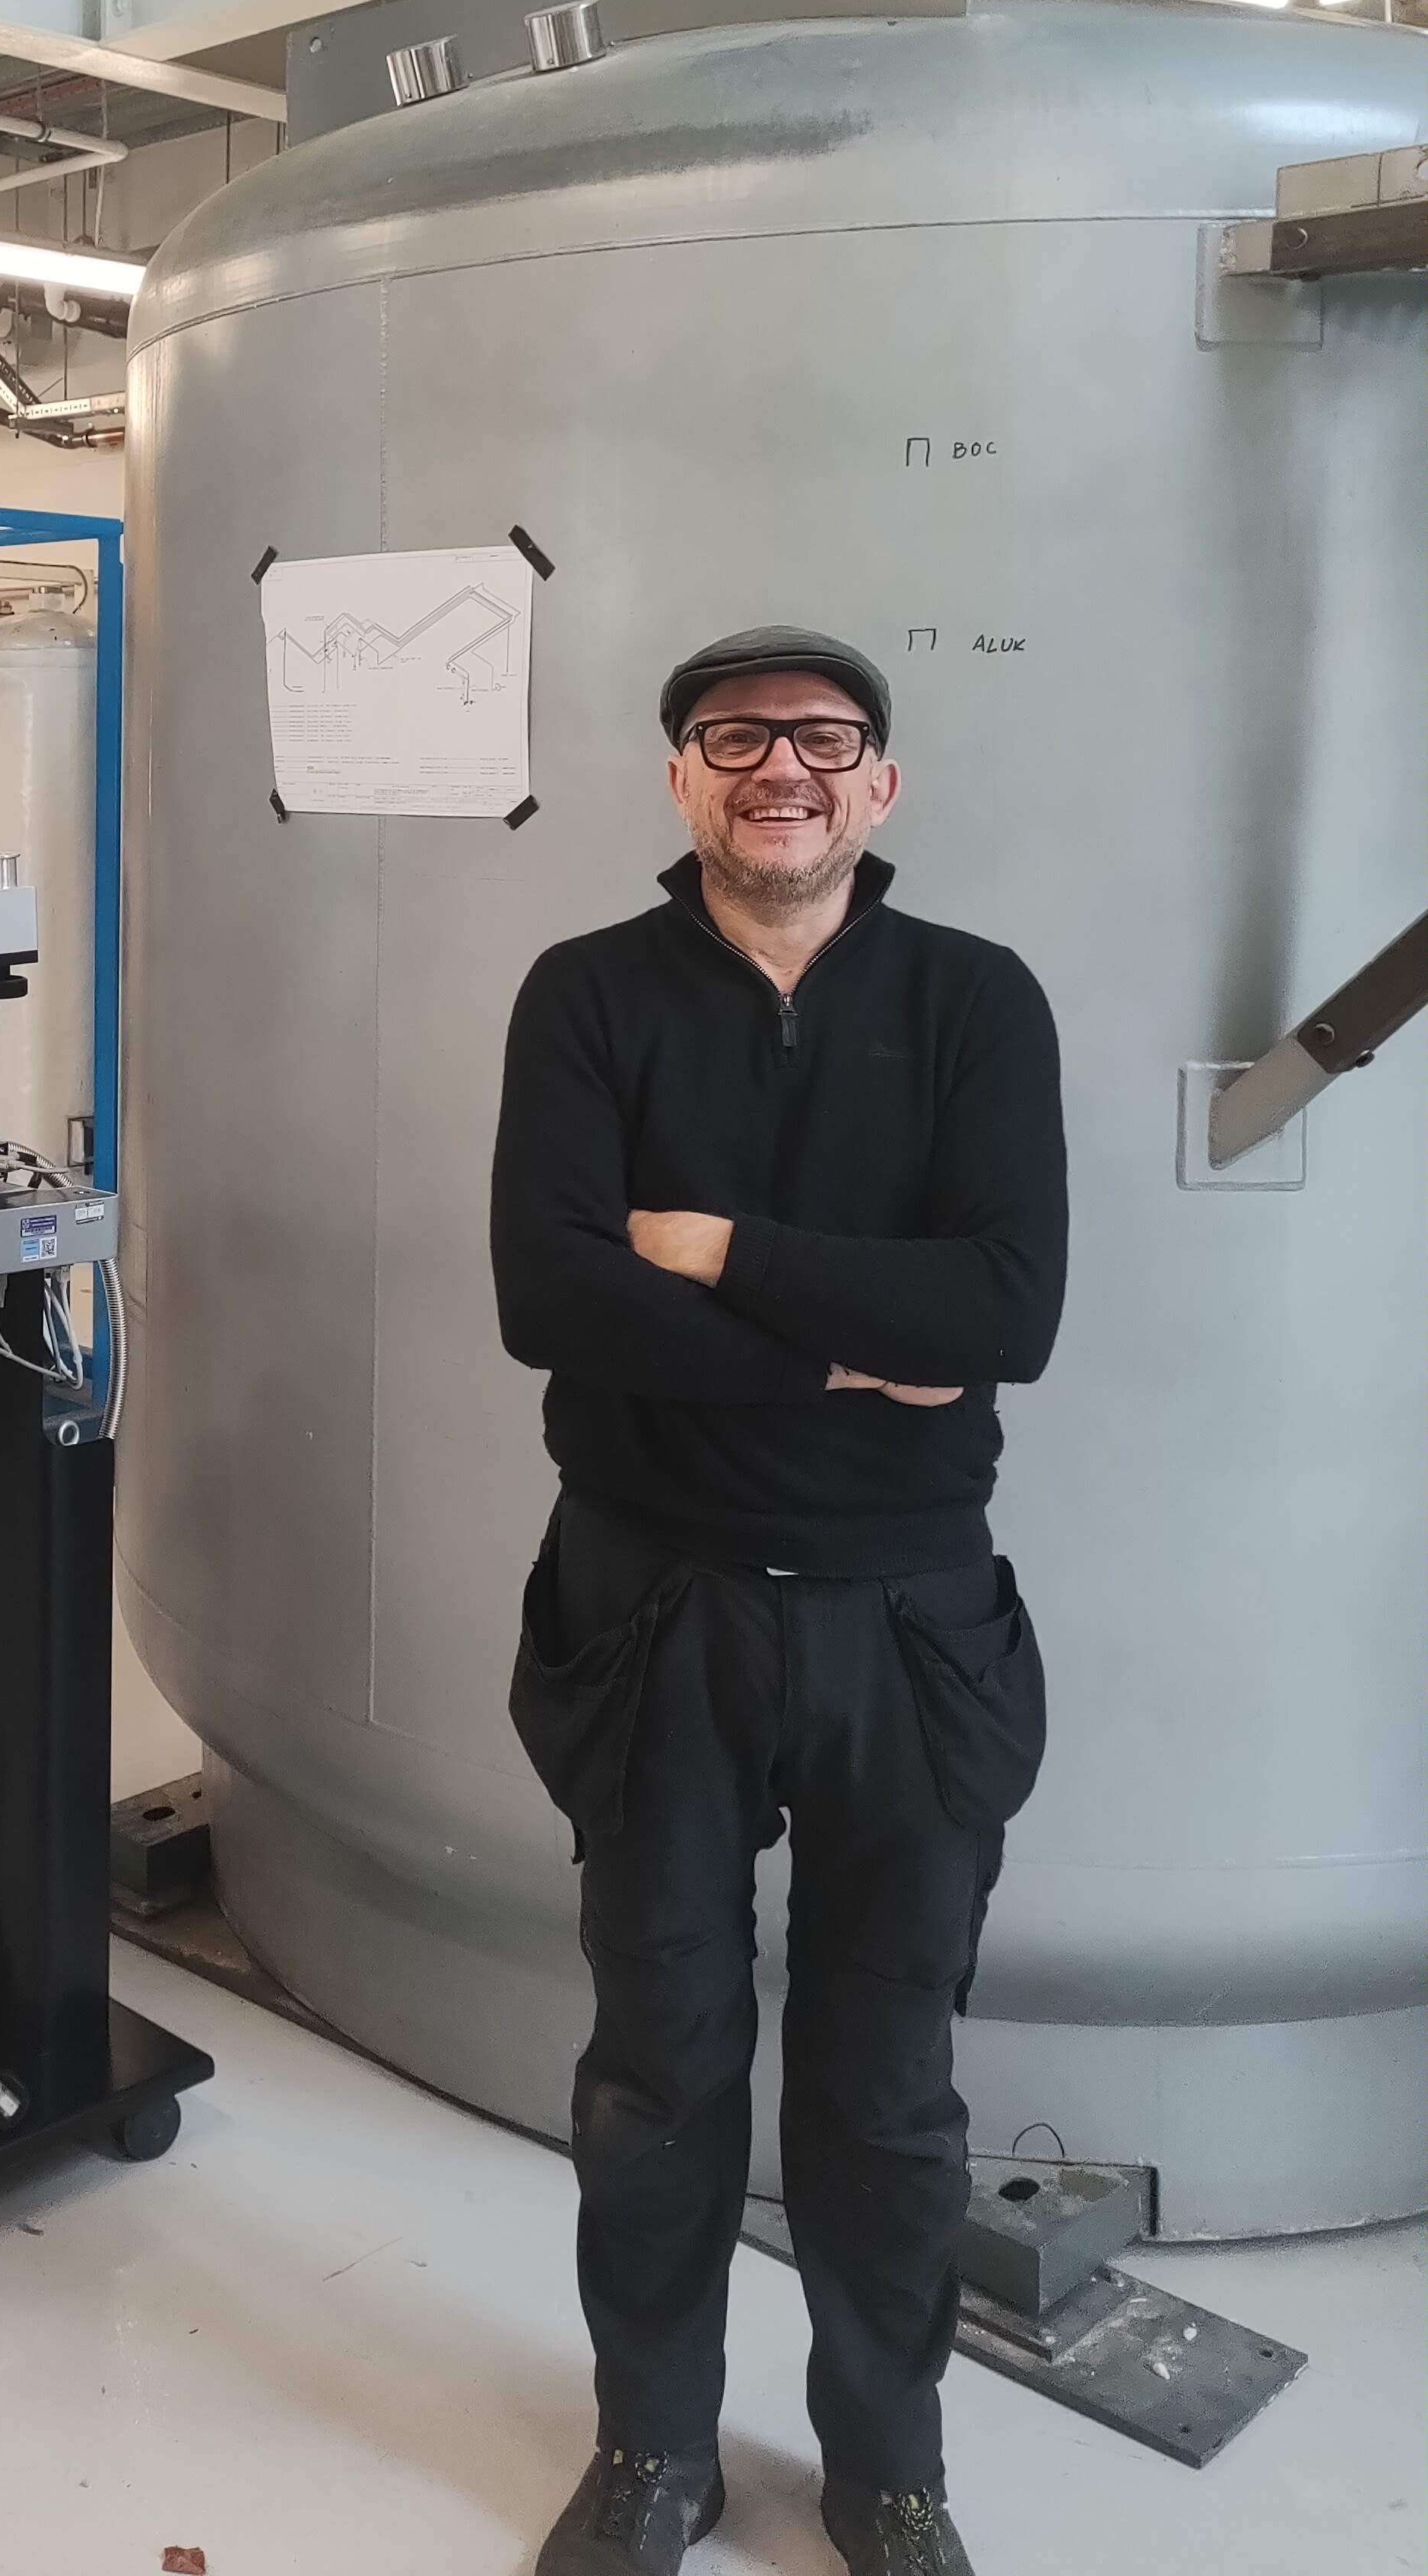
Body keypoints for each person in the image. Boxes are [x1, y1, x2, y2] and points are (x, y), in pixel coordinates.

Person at [489, 625, 1067, 2576]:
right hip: (654, 1600)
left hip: (909, 1619)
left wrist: (717, 1249)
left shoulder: (976, 1000)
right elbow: (551, 1297)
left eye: (826, 738)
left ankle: (888, 2466)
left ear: (880, 784)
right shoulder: (587, 996)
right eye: (733, 737)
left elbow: (1007, 1310)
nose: (781, 769)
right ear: (681, 778)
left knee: (890, 2083)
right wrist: (843, 1349)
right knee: (658, 2066)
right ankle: (654, 2448)